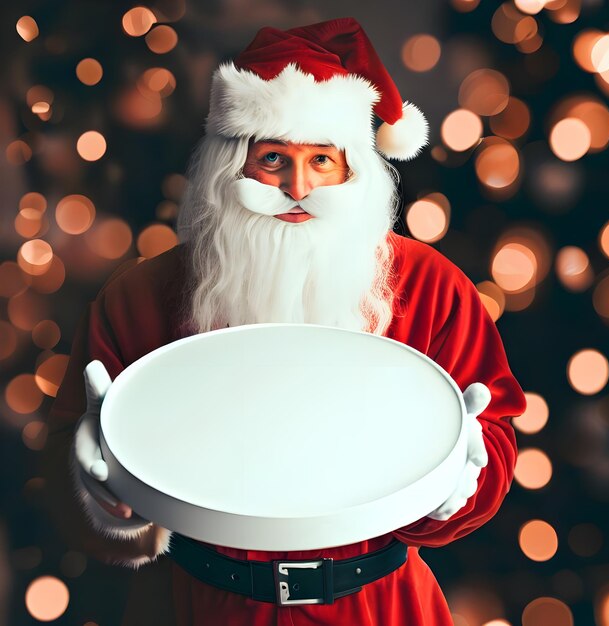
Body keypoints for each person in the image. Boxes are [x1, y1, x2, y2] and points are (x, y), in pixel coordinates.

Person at [44, 17, 526, 626]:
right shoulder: (138, 296)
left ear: (354, 171)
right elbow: (66, 463)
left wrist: (459, 484)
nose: (298, 186)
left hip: (379, 608)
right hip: (195, 607)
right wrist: (100, 495)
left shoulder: (431, 286)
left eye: (322, 160)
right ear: (228, 168)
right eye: (273, 158)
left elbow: (497, 433)